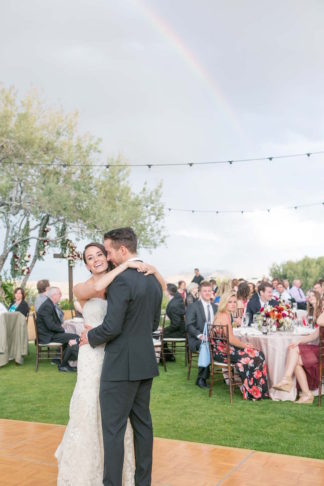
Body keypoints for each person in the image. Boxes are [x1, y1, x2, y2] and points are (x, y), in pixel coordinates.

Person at [80, 228, 163, 486]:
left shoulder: (122, 280)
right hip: (145, 362)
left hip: (119, 367)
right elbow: (151, 324)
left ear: (122, 251)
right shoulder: (152, 279)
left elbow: (112, 327)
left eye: (109, 251)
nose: (107, 255)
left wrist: (90, 337)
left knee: (113, 431)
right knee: (143, 426)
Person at [211, 291, 269, 400]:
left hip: (225, 349)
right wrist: (244, 346)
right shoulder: (223, 316)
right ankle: (251, 391)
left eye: (234, 302)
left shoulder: (226, 314)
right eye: (230, 302)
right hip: (222, 353)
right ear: (224, 303)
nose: (233, 304)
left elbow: (229, 339)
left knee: (258, 354)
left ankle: (257, 390)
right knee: (256, 356)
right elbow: (231, 339)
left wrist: (243, 346)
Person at [273, 309, 324, 404]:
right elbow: (314, 336)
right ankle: (288, 380)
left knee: (295, 357)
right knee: (293, 349)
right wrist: (299, 341)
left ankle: (304, 393)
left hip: (322, 353)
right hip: (320, 350)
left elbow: (319, 321)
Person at [36, 287, 79, 372]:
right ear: (54, 295)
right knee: (75, 337)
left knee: (72, 336)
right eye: (60, 294)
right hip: (48, 336)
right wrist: (63, 330)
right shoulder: (47, 306)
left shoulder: (49, 304)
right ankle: (63, 364)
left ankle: (59, 359)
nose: (61, 296)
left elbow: (53, 323)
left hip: (50, 333)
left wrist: (61, 327)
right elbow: (51, 326)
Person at [186, 281, 217, 389]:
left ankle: (229, 374)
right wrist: (200, 335)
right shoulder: (193, 307)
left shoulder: (215, 307)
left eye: (209, 291)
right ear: (199, 293)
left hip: (213, 338)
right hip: (197, 339)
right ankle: (201, 379)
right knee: (206, 346)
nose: (207, 293)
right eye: (205, 291)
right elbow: (189, 325)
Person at [163, 283, 186, 361]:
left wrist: (164, 330)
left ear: (168, 292)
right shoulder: (177, 298)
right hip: (182, 328)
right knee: (162, 333)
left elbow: (176, 324)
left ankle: (168, 357)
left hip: (181, 332)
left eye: (165, 290)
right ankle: (168, 356)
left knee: (161, 334)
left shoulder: (174, 305)